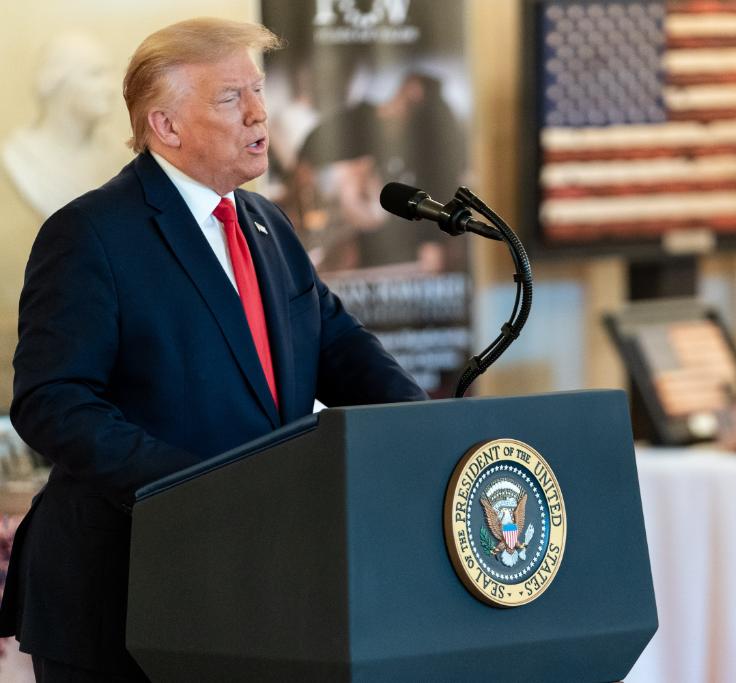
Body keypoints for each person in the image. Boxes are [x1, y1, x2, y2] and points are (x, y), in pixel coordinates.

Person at [0, 17, 427, 682]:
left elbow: (338, 344)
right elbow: (52, 402)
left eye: (257, 89)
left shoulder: (267, 222)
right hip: (123, 593)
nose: (260, 111)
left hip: (248, 585)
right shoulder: (90, 233)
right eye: (231, 97)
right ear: (165, 126)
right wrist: (198, 486)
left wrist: (420, 427)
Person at [2, 31, 126, 218]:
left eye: (110, 73)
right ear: (58, 81)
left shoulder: (116, 151)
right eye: (95, 73)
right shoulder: (21, 155)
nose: (111, 87)